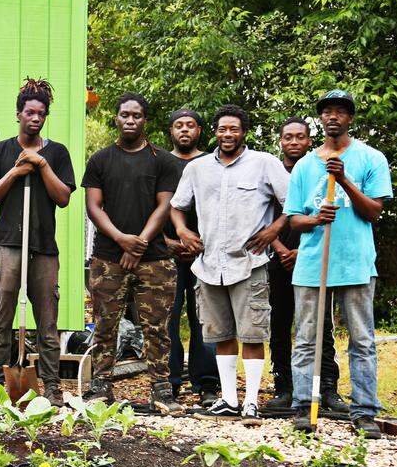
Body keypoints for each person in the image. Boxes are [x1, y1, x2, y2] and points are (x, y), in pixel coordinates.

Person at [170, 105, 288, 420]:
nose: (227, 134)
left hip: (248, 263)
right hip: (209, 265)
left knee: (252, 335)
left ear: (243, 132)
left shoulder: (264, 163)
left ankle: (251, 403)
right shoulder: (197, 168)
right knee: (221, 335)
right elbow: (177, 206)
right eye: (222, 129)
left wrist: (273, 230)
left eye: (234, 129)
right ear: (215, 132)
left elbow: (293, 202)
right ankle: (229, 400)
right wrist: (182, 230)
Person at [286, 90, 391, 438]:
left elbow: (374, 212)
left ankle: (364, 412)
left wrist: (344, 179)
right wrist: (316, 218)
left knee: (362, 340)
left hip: (355, 262)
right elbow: (293, 220)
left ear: (350, 118)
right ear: (321, 118)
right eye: (327, 111)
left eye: (340, 112)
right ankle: (304, 406)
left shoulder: (371, 158)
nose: (333, 117)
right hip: (312, 263)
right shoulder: (304, 165)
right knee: (306, 338)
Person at [83, 93, 182, 414]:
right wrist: (121, 239)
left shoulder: (163, 160)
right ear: (116, 118)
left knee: (157, 327)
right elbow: (94, 207)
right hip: (107, 259)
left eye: (136, 115)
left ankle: (162, 391)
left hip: (155, 260)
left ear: (145, 120)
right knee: (105, 325)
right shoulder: (100, 160)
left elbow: (165, 205)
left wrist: (139, 242)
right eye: (124, 114)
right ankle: (101, 387)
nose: (130, 120)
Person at [0, 78, 76, 405]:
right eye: (30, 112)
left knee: (47, 323)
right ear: (18, 114)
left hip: (43, 248)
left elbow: (63, 197)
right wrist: (15, 173)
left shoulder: (57, 153)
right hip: (8, 244)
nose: (35, 118)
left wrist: (42, 164)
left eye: (41, 114)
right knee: (2, 319)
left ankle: (53, 388)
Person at [266, 117, 344, 413]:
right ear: (281, 141)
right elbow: (259, 217)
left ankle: (328, 388)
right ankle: (284, 387)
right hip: (278, 260)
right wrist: (281, 249)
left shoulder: (319, 171)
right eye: (288, 137)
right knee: (280, 324)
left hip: (313, 258)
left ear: (309, 141)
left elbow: (329, 213)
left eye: (300, 137)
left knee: (321, 325)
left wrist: (302, 251)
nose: (294, 142)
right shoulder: (271, 173)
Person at [162, 108, 219, 408]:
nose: (184, 130)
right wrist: (168, 241)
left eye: (190, 125)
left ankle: (207, 384)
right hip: (166, 252)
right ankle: (169, 382)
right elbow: (150, 207)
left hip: (206, 252)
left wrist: (203, 243)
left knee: (205, 319)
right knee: (167, 319)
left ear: (199, 131)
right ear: (171, 131)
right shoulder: (159, 161)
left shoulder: (213, 163)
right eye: (179, 125)